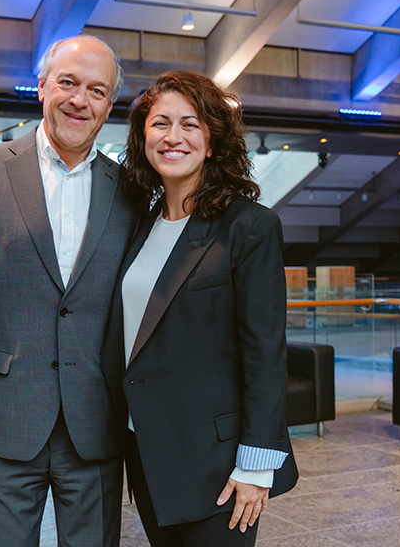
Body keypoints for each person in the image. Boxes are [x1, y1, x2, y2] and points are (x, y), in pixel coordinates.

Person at [0, 35, 137, 547]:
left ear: (109, 105)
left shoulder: (131, 189)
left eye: (96, 90)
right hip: (2, 426)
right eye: (67, 82)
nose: (79, 100)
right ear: (42, 86)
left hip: (96, 427)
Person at [102, 71, 299, 546]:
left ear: (211, 142)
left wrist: (256, 463)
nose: (173, 137)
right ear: (143, 138)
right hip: (147, 446)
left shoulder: (248, 226)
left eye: (190, 125)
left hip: (219, 459)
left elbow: (265, 353)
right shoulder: (140, 225)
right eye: (160, 123)